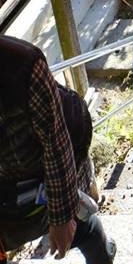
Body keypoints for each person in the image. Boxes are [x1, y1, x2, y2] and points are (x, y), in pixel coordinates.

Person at [0, 36, 115, 264]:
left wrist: (62, 218)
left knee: (79, 225)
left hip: (47, 163)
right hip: (7, 180)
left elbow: (55, 142)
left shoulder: (22, 63)